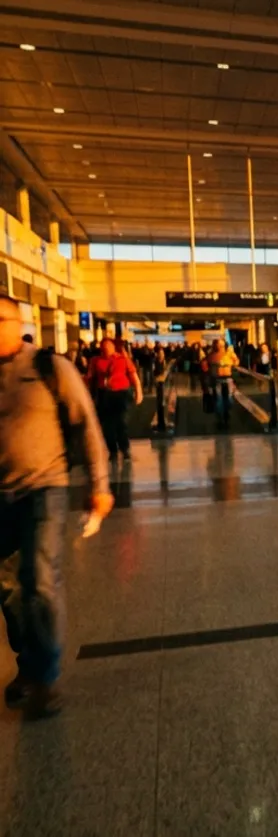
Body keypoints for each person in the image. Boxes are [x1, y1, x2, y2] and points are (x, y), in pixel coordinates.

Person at [0, 296, 113, 718]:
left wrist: (99, 486)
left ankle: (45, 679)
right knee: (10, 592)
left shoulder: (49, 367)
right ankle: (29, 665)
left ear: (18, 322)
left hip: (43, 488)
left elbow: (86, 425)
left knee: (39, 579)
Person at [86, 337, 143, 460]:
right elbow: (90, 378)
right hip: (104, 394)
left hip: (121, 393)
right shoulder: (95, 361)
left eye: (108, 346)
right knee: (107, 426)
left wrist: (138, 392)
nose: (106, 348)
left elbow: (133, 375)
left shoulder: (123, 359)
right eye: (103, 346)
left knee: (121, 423)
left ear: (113, 347)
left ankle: (125, 449)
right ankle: (112, 450)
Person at [207, 339, 238, 429]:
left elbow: (236, 362)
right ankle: (221, 418)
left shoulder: (229, 354)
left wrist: (231, 361)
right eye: (219, 345)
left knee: (229, 399)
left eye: (222, 345)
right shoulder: (212, 355)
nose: (221, 347)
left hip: (228, 378)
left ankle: (226, 413)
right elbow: (209, 363)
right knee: (219, 399)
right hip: (217, 379)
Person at [151, 343, 170, 433]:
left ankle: (162, 422)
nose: (162, 355)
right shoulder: (156, 362)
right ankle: (161, 423)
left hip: (162, 382)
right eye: (160, 354)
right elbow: (155, 373)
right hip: (159, 383)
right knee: (160, 402)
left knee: (161, 402)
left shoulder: (163, 361)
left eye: (163, 354)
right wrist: (157, 379)